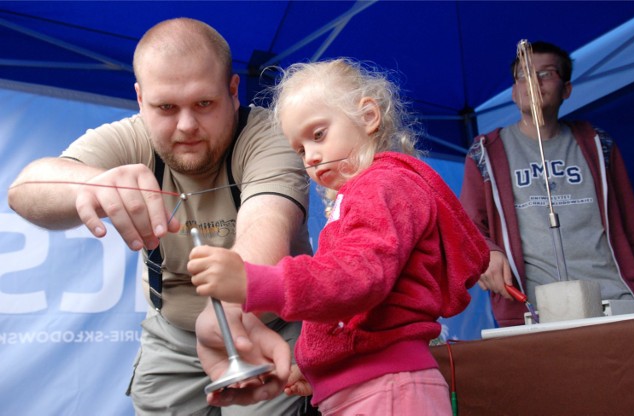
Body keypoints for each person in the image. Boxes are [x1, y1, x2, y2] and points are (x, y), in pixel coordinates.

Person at [7, 17, 313, 415]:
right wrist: (93, 184)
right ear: (140, 99)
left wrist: (228, 319)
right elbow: (24, 190)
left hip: (264, 329)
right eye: (166, 107)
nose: (186, 125)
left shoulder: (270, 138)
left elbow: (266, 225)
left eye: (204, 104)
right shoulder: (132, 137)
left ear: (233, 91)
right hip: (171, 340)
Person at [188, 58, 489, 415]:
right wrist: (321, 368)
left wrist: (254, 281)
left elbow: (358, 278)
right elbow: (364, 316)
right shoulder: (365, 193)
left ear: (368, 117)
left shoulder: (380, 186)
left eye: (318, 135)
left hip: (389, 390)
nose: (311, 158)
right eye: (300, 150)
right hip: (372, 388)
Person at [460, 41, 634, 327]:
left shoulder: (598, 143)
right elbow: (467, 227)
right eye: (523, 75)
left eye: (546, 74)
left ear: (566, 89)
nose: (533, 81)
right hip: (534, 308)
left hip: (614, 296)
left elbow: (632, 225)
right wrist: (487, 253)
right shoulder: (486, 152)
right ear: (513, 91)